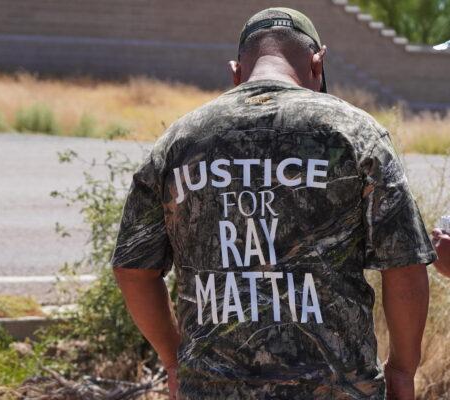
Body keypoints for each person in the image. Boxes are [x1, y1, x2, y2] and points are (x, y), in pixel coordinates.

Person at [111, 7, 436, 400]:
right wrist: (401, 371)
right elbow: (404, 265)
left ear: (236, 71)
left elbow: (132, 269)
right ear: (318, 64)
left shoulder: (179, 141)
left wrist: (174, 360)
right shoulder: (355, 134)